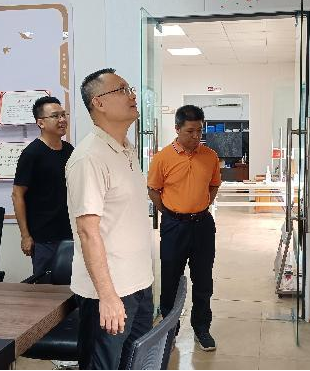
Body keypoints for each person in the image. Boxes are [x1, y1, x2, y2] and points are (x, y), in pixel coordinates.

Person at [66, 68, 153, 370]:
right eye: (122, 90)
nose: (132, 95)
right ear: (99, 103)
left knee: (134, 363)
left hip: (139, 284)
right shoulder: (89, 158)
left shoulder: (126, 149)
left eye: (130, 89)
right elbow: (87, 232)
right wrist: (107, 296)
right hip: (109, 293)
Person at [147, 105, 221, 352]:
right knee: (170, 279)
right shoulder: (162, 158)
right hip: (174, 226)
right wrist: (170, 213)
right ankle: (169, 331)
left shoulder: (210, 156)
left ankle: (202, 328)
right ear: (177, 129)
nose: (196, 136)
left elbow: (214, 185)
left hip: (202, 225)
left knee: (203, 280)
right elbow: (153, 190)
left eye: (199, 130)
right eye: (190, 131)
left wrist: (202, 205)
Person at [12, 96, 74, 276]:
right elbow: (17, 195)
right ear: (41, 123)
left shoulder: (69, 150)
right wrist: (25, 236)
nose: (62, 120)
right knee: (45, 287)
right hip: (43, 237)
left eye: (63, 115)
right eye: (55, 116)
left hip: (70, 233)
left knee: (73, 286)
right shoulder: (32, 154)